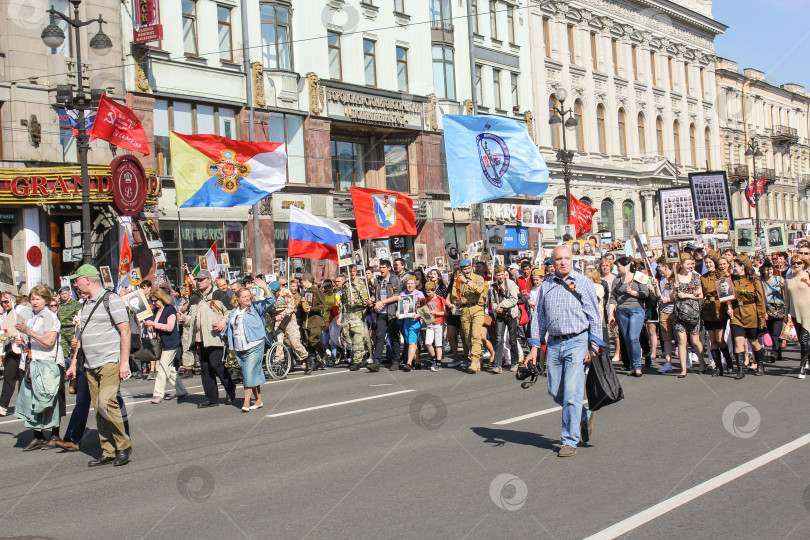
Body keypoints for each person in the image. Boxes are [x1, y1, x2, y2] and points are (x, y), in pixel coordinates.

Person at [526, 246, 603, 457]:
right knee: (555, 391)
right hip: (553, 344)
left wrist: (594, 346)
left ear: (572, 260)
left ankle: (569, 440)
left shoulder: (584, 283)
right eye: (558, 259)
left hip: (577, 342)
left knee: (572, 392)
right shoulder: (546, 286)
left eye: (566, 258)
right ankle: (584, 415)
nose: (562, 262)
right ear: (552, 262)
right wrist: (534, 347)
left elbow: (595, 317)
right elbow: (539, 318)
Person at [65, 264, 133, 467]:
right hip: (90, 364)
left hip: (109, 360)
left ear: (88, 280)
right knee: (98, 409)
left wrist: (124, 362)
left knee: (107, 402)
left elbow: (125, 331)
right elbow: (81, 337)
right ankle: (108, 450)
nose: (75, 284)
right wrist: (73, 364)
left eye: (77, 280)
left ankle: (123, 446)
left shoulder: (111, 299)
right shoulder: (85, 304)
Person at [13, 286, 65, 451]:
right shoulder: (32, 317)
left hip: (47, 363)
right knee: (33, 400)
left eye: (38, 299)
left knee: (49, 399)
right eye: (33, 299)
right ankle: (38, 435)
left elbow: (49, 342)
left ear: (46, 300)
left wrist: (29, 332)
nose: (34, 302)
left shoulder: (50, 316)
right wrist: (23, 342)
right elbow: (32, 340)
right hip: (32, 362)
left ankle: (55, 435)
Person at [178, 269, 235, 408]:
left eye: (202, 279)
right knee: (205, 368)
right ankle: (211, 398)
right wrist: (184, 318)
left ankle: (230, 388)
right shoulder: (195, 297)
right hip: (200, 337)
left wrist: (223, 322)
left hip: (215, 336)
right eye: (198, 280)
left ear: (209, 280)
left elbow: (231, 311)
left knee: (216, 364)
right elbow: (192, 318)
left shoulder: (219, 294)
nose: (199, 282)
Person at [223, 280, 275, 412]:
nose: (247, 298)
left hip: (255, 343)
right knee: (253, 372)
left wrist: (265, 288)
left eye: (248, 296)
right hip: (240, 347)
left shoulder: (256, 307)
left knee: (247, 373)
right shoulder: (235, 312)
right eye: (244, 297)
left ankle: (246, 402)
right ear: (238, 299)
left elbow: (270, 302)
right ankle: (258, 400)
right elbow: (230, 329)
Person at [143, 288, 188, 403]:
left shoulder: (170, 309)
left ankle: (158, 394)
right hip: (162, 342)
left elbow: (169, 327)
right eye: (152, 301)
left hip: (172, 342)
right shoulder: (156, 311)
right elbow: (156, 326)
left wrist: (154, 324)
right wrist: (149, 325)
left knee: (163, 367)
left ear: (161, 298)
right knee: (171, 369)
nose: (154, 303)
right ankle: (182, 391)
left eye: (155, 300)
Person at [607, 257, 649, 377]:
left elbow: (645, 293)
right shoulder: (617, 280)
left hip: (636, 310)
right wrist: (611, 314)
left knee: (633, 337)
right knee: (626, 339)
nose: (617, 268)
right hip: (621, 311)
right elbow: (613, 298)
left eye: (619, 266)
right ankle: (632, 365)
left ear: (627, 266)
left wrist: (634, 293)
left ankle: (637, 366)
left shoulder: (639, 277)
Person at [727, 258, 767, 378]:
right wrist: (728, 307)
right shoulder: (730, 280)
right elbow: (727, 297)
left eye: (735, 266)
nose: (733, 268)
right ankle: (741, 369)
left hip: (751, 313)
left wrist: (761, 319)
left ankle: (760, 364)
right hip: (737, 314)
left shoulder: (754, 280)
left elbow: (760, 301)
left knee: (753, 342)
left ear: (742, 267)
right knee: (738, 341)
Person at [449, 260, 489, 374]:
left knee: (476, 335)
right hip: (465, 310)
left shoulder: (477, 278)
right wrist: (459, 301)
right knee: (467, 337)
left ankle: (475, 361)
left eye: (468, 268)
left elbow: (480, 290)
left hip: (477, 308)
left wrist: (466, 281)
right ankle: (477, 358)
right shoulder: (457, 282)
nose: (467, 270)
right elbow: (454, 298)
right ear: (461, 269)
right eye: (464, 269)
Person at [670, 255, 705, 378]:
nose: (691, 266)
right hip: (679, 312)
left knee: (695, 340)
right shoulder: (675, 277)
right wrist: (675, 289)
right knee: (681, 339)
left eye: (692, 264)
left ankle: (702, 362)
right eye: (688, 264)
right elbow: (671, 297)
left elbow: (700, 295)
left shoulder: (695, 277)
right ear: (681, 264)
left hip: (693, 312)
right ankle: (683, 368)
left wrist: (687, 295)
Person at [0, 293, 32, 417]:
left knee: (23, 378)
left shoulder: (23, 310)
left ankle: (22, 406)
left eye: (6, 301)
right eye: (2, 302)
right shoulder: (5, 314)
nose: (4, 304)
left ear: (13, 299)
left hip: (23, 350)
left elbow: (28, 326)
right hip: (11, 349)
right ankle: (3, 405)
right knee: (8, 377)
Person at [701, 254, 733, 377]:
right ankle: (718, 367)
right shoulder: (703, 278)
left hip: (720, 309)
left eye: (710, 262)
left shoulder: (722, 276)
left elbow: (728, 294)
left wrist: (729, 307)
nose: (708, 265)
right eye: (706, 262)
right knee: (712, 339)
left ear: (715, 263)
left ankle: (729, 361)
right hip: (708, 309)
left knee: (719, 339)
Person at [369, 260, 402, 372]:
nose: (381, 269)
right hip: (381, 313)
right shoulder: (377, 280)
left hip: (392, 312)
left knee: (394, 337)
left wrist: (382, 302)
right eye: (380, 267)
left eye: (383, 267)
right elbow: (374, 294)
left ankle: (395, 361)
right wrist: (371, 301)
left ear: (389, 268)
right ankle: (376, 362)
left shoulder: (395, 279)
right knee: (379, 337)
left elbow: (398, 296)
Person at [489, 264, 520, 374]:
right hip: (500, 316)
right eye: (498, 275)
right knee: (499, 339)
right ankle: (498, 365)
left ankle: (514, 362)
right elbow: (492, 301)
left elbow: (514, 299)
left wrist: (501, 305)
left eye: (502, 274)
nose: (501, 277)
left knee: (512, 339)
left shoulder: (511, 283)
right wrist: (496, 308)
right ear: (496, 276)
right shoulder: (493, 287)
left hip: (510, 314)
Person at [339, 265, 370, 371]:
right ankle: (362, 353)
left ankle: (357, 361)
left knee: (357, 337)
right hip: (347, 315)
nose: (352, 273)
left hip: (357, 314)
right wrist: (340, 316)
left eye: (353, 271)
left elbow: (366, 302)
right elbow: (342, 302)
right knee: (346, 336)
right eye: (350, 271)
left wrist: (356, 301)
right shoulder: (345, 285)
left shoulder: (360, 284)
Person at [785, 254, 810, 378]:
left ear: (804, 264)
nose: (796, 265)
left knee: (804, 339)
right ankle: (807, 359)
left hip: (808, 312)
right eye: (794, 263)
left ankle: (802, 367)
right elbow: (787, 299)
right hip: (795, 312)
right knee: (801, 341)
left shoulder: (808, 276)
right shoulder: (788, 278)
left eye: (799, 263)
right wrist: (785, 315)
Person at [299, 273, 327, 374]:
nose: (301, 283)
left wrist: (311, 309)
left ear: (307, 281)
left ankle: (323, 353)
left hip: (315, 320)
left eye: (302, 281)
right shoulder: (304, 292)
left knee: (313, 340)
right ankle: (313, 362)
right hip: (306, 321)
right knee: (307, 342)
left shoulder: (317, 291)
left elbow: (322, 305)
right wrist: (301, 304)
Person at [760, 261, 785, 363]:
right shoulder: (762, 281)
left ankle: (774, 353)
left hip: (778, 308)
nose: (768, 271)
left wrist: (783, 286)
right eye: (766, 269)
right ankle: (778, 351)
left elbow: (784, 290)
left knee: (776, 332)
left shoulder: (778, 279)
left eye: (770, 269)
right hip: (768, 308)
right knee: (771, 332)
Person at [656, 262, 676, 372]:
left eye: (659, 266)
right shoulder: (662, 279)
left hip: (675, 311)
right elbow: (660, 296)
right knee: (666, 339)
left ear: (666, 266)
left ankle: (686, 359)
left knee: (679, 339)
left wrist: (668, 300)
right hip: (664, 311)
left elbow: (678, 294)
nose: (658, 268)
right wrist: (655, 287)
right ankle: (668, 363)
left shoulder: (675, 278)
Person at [423, 281, 446, 371]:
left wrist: (436, 313)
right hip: (430, 323)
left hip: (439, 323)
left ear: (434, 290)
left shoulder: (440, 299)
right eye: (427, 292)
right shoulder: (427, 300)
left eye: (430, 292)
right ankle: (434, 357)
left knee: (438, 344)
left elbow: (445, 312)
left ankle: (438, 362)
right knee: (428, 343)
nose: (428, 294)